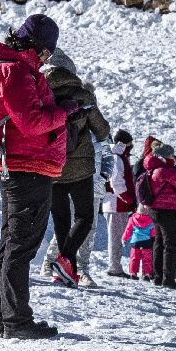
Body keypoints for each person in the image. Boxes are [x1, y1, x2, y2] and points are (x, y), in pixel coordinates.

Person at [0, 13, 70, 340]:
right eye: (47, 52)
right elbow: (32, 122)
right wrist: (65, 111)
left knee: (13, 244)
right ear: (39, 47)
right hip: (24, 167)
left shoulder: (9, 67)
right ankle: (15, 320)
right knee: (20, 246)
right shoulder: (14, 71)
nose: (46, 58)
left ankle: (8, 318)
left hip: (22, 165)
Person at [41, 47, 110, 287]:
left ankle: (63, 270)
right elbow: (102, 131)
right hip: (80, 168)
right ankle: (64, 262)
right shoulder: (82, 95)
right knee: (84, 218)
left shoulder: (40, 92)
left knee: (60, 220)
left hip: (51, 165)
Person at [137, 143, 176, 288]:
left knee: (159, 242)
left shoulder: (152, 169)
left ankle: (158, 277)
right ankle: (168, 280)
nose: (173, 158)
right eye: (171, 155)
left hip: (155, 210)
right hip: (166, 210)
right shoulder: (165, 171)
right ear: (165, 157)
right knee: (171, 243)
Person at [99, 129, 136, 277]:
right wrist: (129, 199)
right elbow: (117, 183)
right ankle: (114, 267)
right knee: (115, 237)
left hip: (115, 203)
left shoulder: (117, 156)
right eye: (129, 144)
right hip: (115, 203)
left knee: (117, 236)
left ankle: (115, 266)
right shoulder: (116, 158)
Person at [125, 205, 158, 279]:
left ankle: (133, 273)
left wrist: (124, 238)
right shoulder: (151, 220)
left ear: (137, 210)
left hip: (135, 242)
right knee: (147, 259)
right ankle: (147, 274)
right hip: (147, 242)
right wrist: (154, 238)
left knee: (134, 258)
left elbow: (128, 230)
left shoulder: (132, 219)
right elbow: (153, 232)